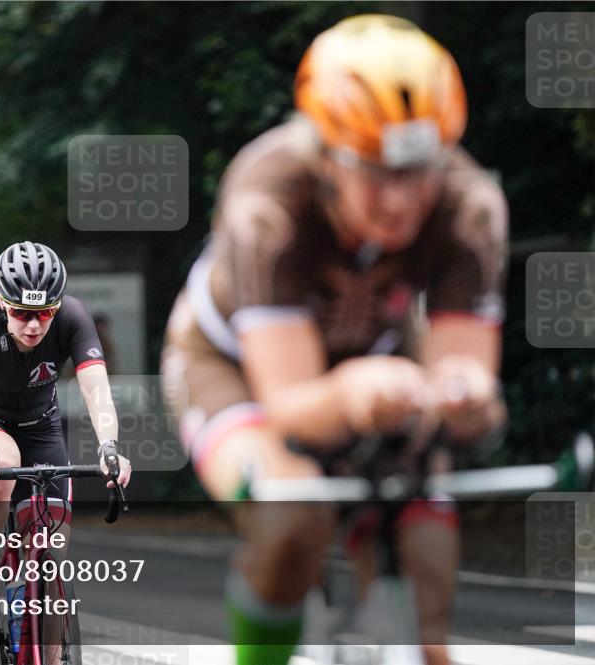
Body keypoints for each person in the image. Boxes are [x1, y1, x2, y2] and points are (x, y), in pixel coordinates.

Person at [160, 15, 507, 665]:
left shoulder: (470, 206)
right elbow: (291, 403)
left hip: (376, 364)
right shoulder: (267, 199)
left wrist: (462, 393)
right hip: (230, 364)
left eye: (422, 171)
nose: (401, 200)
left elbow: (466, 367)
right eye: (375, 172)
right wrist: (356, 395)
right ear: (326, 156)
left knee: (427, 564)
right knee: (293, 515)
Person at [0, 241, 132, 659]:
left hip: (39, 426)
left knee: (53, 545)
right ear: (1, 303)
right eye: (22, 313)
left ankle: (52, 654)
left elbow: (97, 391)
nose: (33, 325)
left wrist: (110, 448)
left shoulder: (73, 317)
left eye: (44, 313)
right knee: (1, 461)